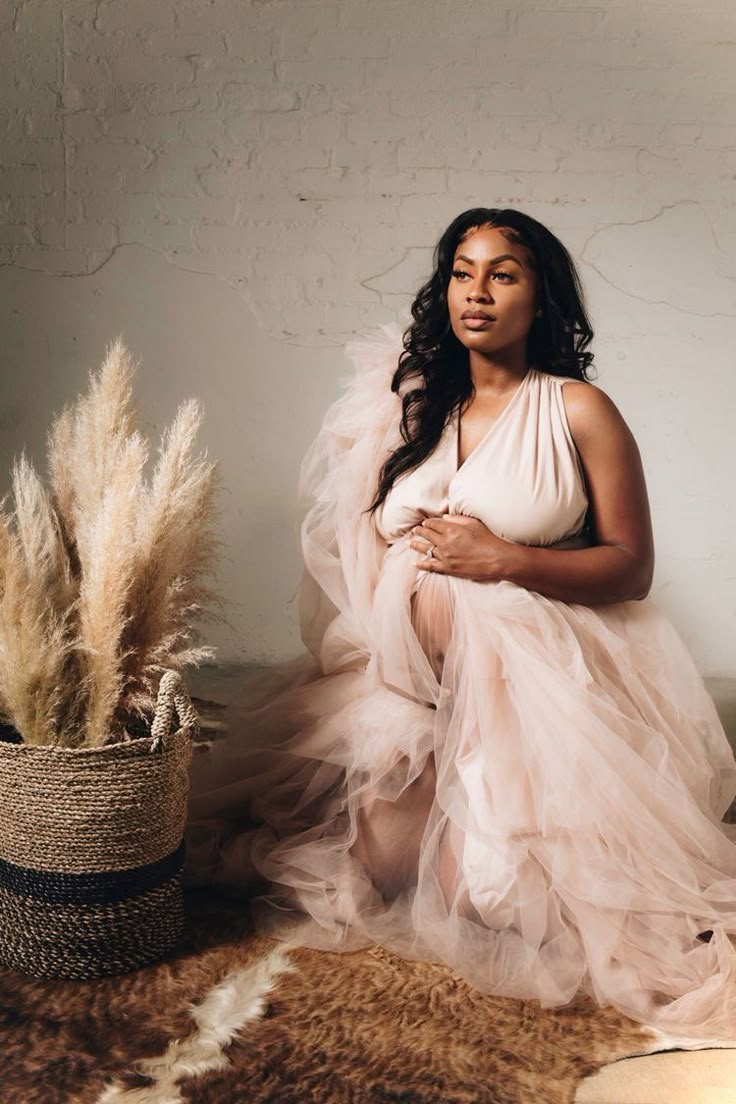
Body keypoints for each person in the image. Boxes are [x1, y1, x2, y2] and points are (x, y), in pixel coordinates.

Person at [185, 207, 736, 1040]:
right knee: (364, 874)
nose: (477, 291)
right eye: (462, 272)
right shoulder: (413, 406)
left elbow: (631, 565)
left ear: (541, 298)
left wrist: (502, 559)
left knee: (491, 901)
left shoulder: (579, 409)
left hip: (532, 690)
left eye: (503, 273)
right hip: (410, 697)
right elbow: (355, 542)